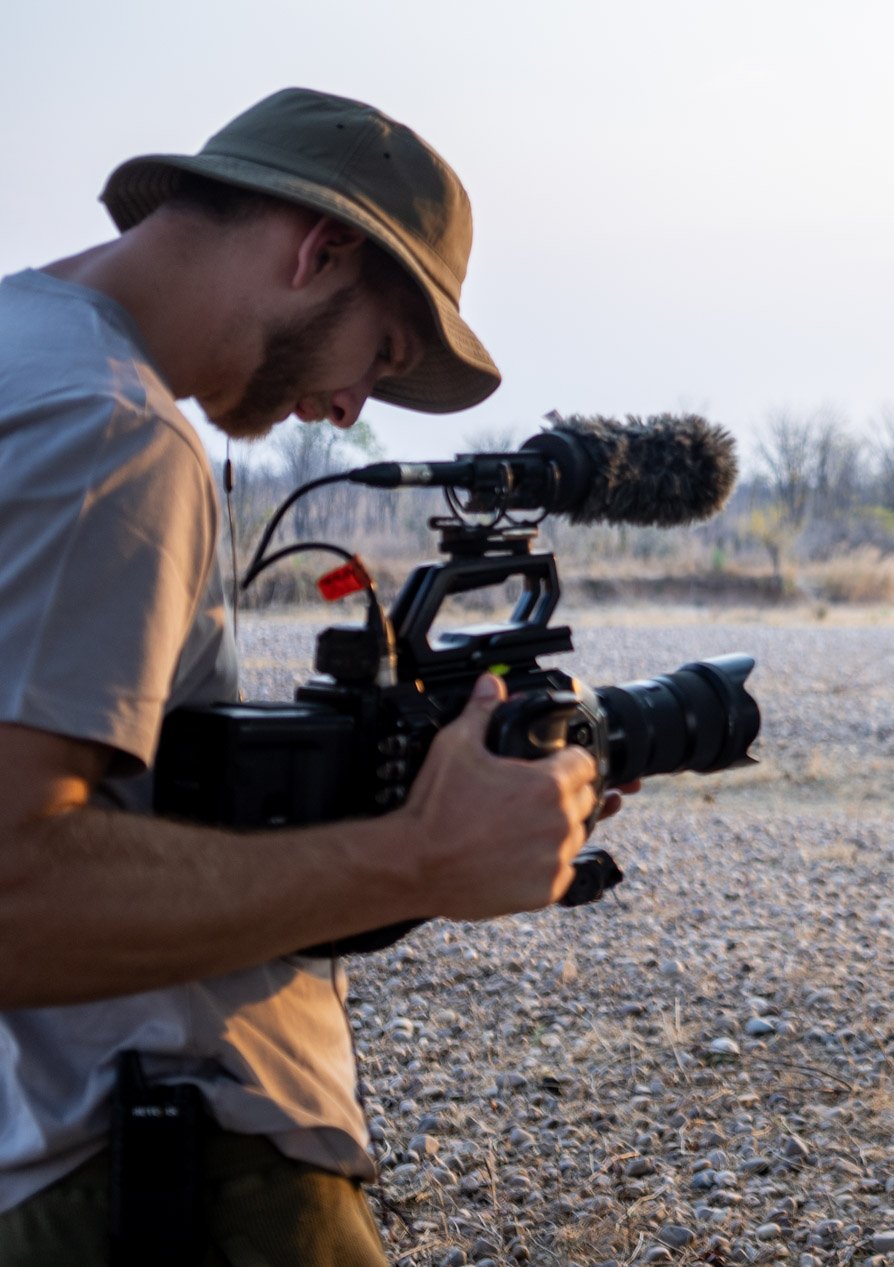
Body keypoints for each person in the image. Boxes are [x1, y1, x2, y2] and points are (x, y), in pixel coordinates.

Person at [0, 89, 614, 1266]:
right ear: (319, 247)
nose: (345, 410)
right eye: (377, 354)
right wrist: (421, 856)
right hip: (153, 1172)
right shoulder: (109, 430)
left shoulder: (24, 358)